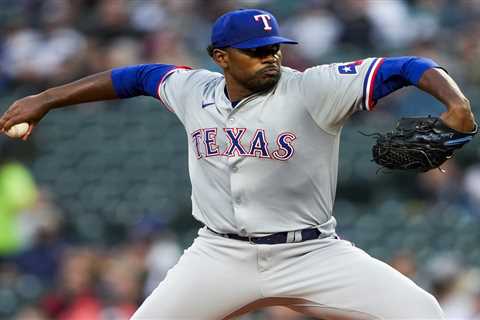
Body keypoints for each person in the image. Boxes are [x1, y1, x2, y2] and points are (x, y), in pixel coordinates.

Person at [0, 8, 476, 320]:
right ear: (221, 57)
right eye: (256, 51)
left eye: (275, 48)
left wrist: (455, 106)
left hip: (311, 253)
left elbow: (407, 66)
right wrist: (45, 98)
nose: (271, 57)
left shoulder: (312, 87)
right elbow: (136, 77)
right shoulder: (193, 90)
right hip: (219, 254)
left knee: (423, 313)